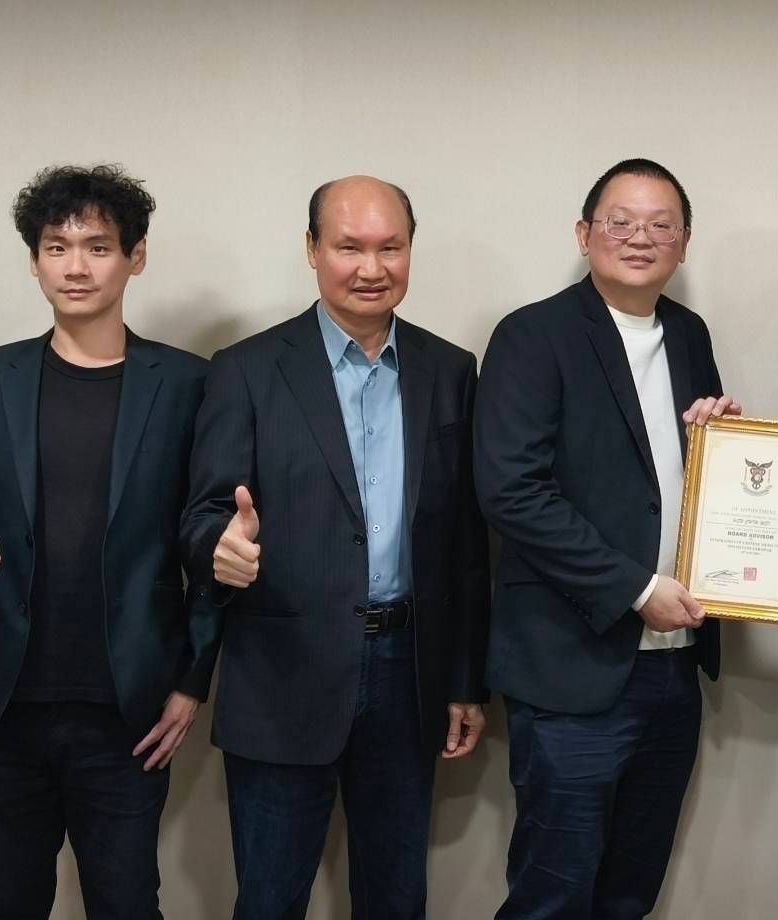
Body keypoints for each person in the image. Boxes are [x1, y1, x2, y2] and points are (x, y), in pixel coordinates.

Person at [0, 163, 215, 918]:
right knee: (3, 903)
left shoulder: (188, 384)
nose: (76, 266)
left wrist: (192, 681)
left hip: (129, 711)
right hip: (3, 704)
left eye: (98, 247)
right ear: (35, 260)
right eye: (56, 247)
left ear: (136, 257)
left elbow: (207, 540)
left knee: (126, 903)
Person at [182, 175, 491, 919]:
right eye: (349, 247)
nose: (371, 268)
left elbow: (465, 544)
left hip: (408, 675)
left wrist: (464, 679)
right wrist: (219, 546)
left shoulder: (451, 370)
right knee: (269, 900)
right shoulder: (246, 368)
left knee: (396, 898)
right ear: (312, 250)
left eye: (391, 247)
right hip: (281, 674)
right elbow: (202, 515)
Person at [475, 157, 733, 920]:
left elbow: (683, 477)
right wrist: (636, 589)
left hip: (674, 666)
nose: (640, 237)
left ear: (684, 244)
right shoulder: (533, 335)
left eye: (661, 225)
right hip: (572, 668)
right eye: (620, 222)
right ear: (584, 235)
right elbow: (511, 490)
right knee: (553, 896)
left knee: (629, 892)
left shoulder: (688, 334)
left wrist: (723, 441)